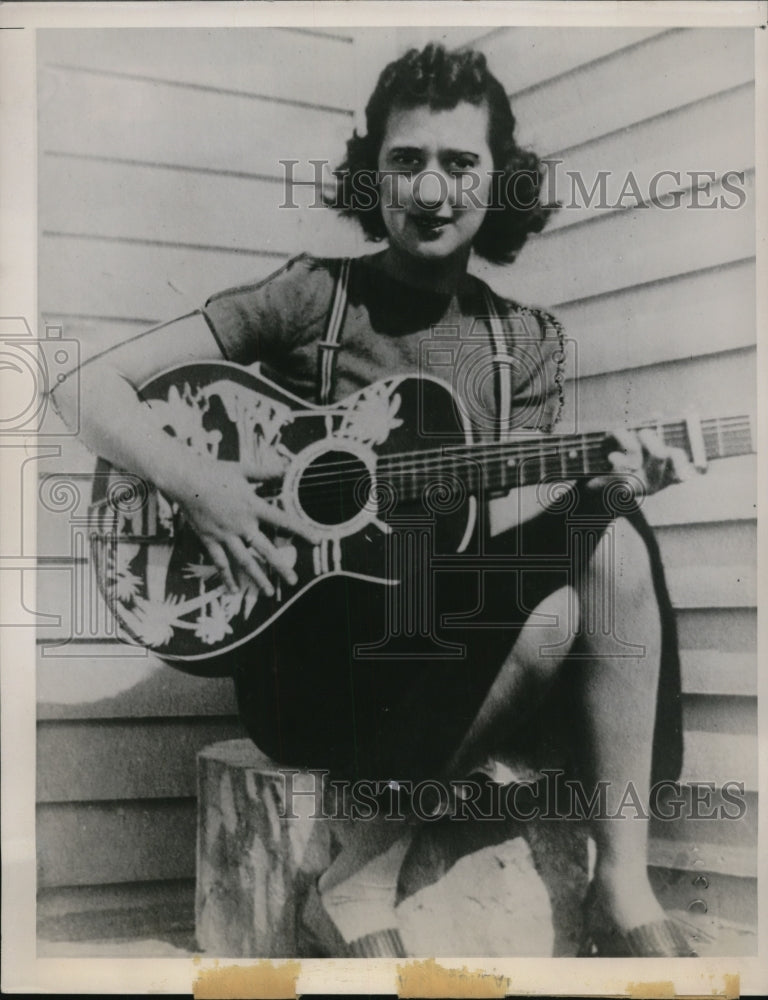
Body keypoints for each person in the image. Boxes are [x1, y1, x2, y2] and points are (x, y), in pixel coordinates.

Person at [51, 43, 697, 958]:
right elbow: (82, 390)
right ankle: (359, 872)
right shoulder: (313, 299)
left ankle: (622, 884)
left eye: (460, 164)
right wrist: (203, 487)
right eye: (407, 162)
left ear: (500, 181)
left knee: (609, 541)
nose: (432, 193)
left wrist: (599, 488)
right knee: (529, 607)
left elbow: (504, 538)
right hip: (311, 665)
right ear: (374, 173)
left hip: (440, 649)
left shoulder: (526, 344)